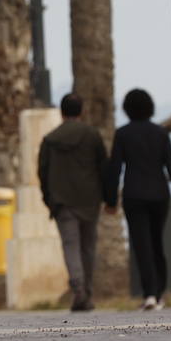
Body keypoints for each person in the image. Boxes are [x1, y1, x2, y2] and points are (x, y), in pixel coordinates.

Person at [104, 88, 171, 311]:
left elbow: (115, 169)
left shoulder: (122, 134)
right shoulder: (161, 133)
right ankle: (159, 293)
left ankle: (149, 293)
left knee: (141, 245)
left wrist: (111, 200)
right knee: (156, 243)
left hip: (134, 195)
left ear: (127, 109)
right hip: (159, 194)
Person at [38, 92, 108, 312]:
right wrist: (108, 198)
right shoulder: (92, 136)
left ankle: (78, 288)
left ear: (62, 112)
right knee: (88, 247)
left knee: (71, 247)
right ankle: (85, 291)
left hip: (63, 203)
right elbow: (103, 169)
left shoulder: (50, 140)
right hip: (89, 200)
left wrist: (50, 199)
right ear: (82, 111)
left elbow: (43, 172)